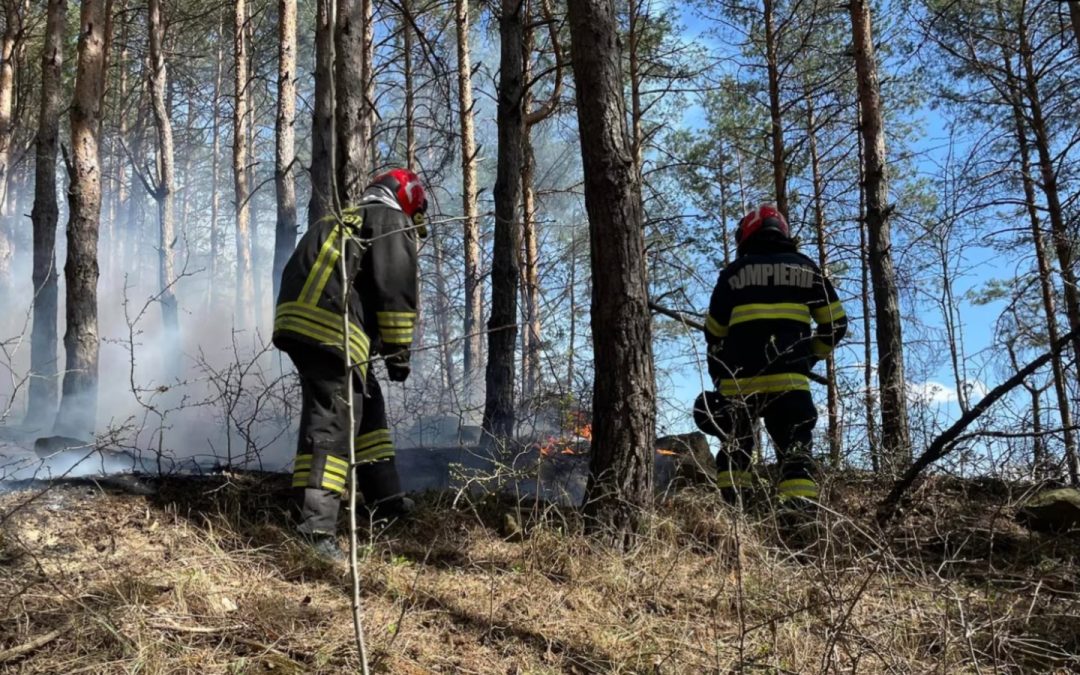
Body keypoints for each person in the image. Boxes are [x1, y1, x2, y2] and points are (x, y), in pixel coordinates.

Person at [273, 169, 427, 559]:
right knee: (333, 423)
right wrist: (398, 353)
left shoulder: (342, 218)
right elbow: (394, 290)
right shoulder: (390, 221)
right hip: (332, 328)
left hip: (305, 323)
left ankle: (386, 500)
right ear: (407, 199)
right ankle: (315, 531)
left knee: (366, 406)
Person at [694, 204, 847, 513]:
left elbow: (714, 332)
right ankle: (798, 521)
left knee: (735, 449)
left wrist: (721, 371)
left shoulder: (733, 274)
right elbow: (836, 324)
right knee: (795, 454)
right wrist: (810, 358)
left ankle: (733, 519)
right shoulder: (806, 269)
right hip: (790, 381)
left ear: (746, 235)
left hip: (739, 383)